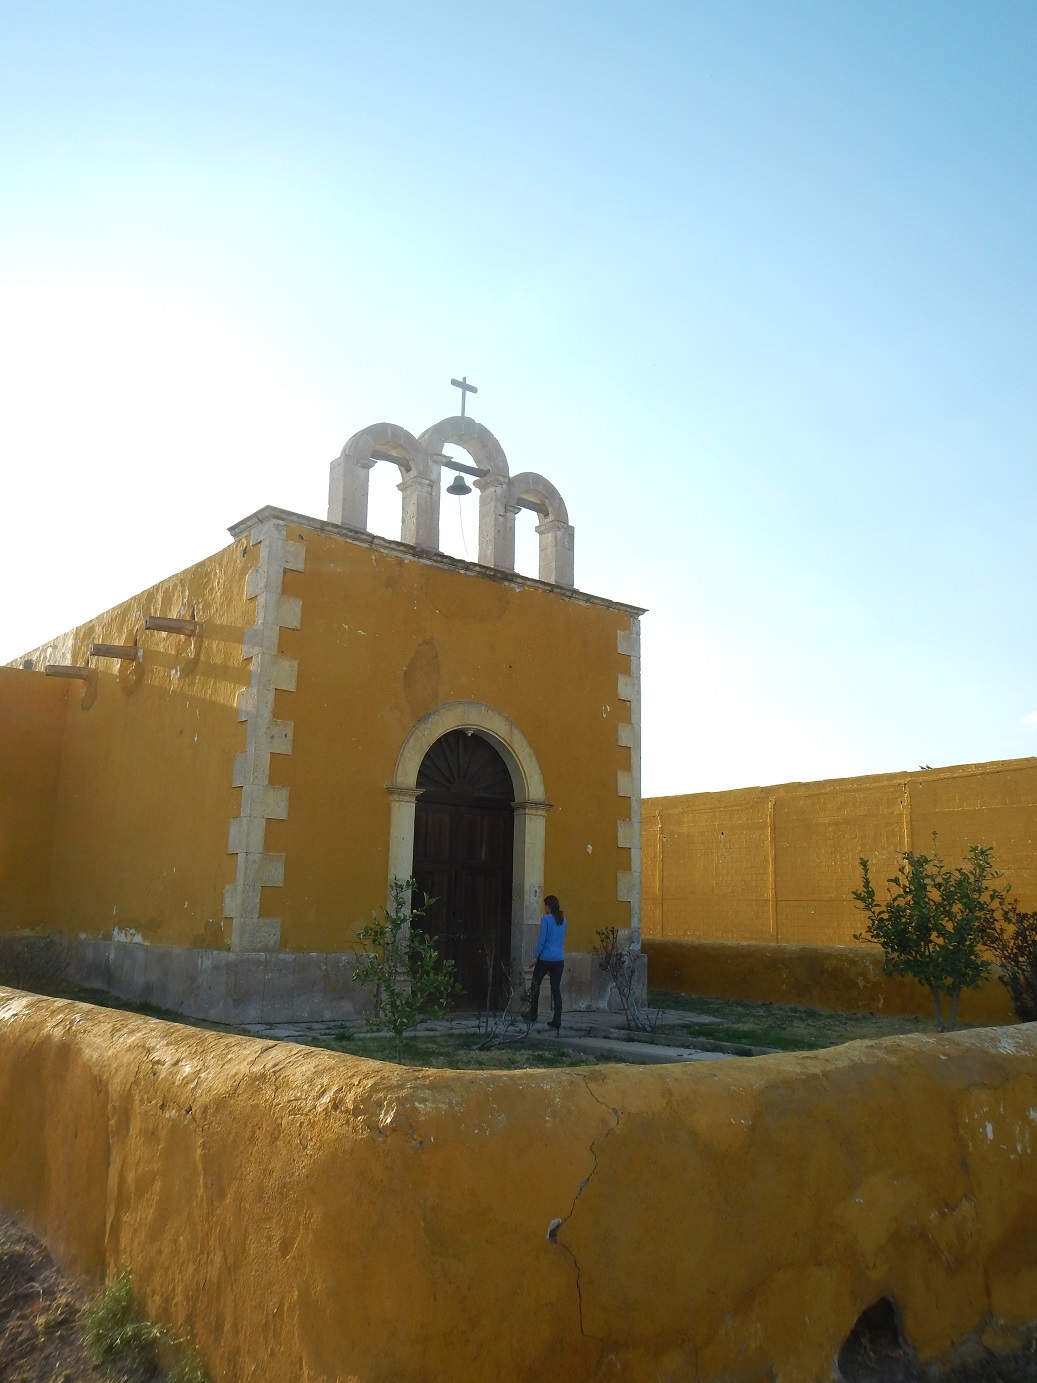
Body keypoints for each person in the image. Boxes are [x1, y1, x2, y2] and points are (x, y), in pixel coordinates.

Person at [522, 894, 566, 1030]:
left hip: (546, 957)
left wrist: (535, 957)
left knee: (535, 984)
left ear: (548, 906)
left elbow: (542, 940)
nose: (544, 908)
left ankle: (533, 1013)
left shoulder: (546, 919)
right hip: (559, 958)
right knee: (555, 988)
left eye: (545, 905)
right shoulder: (563, 920)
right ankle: (557, 1018)